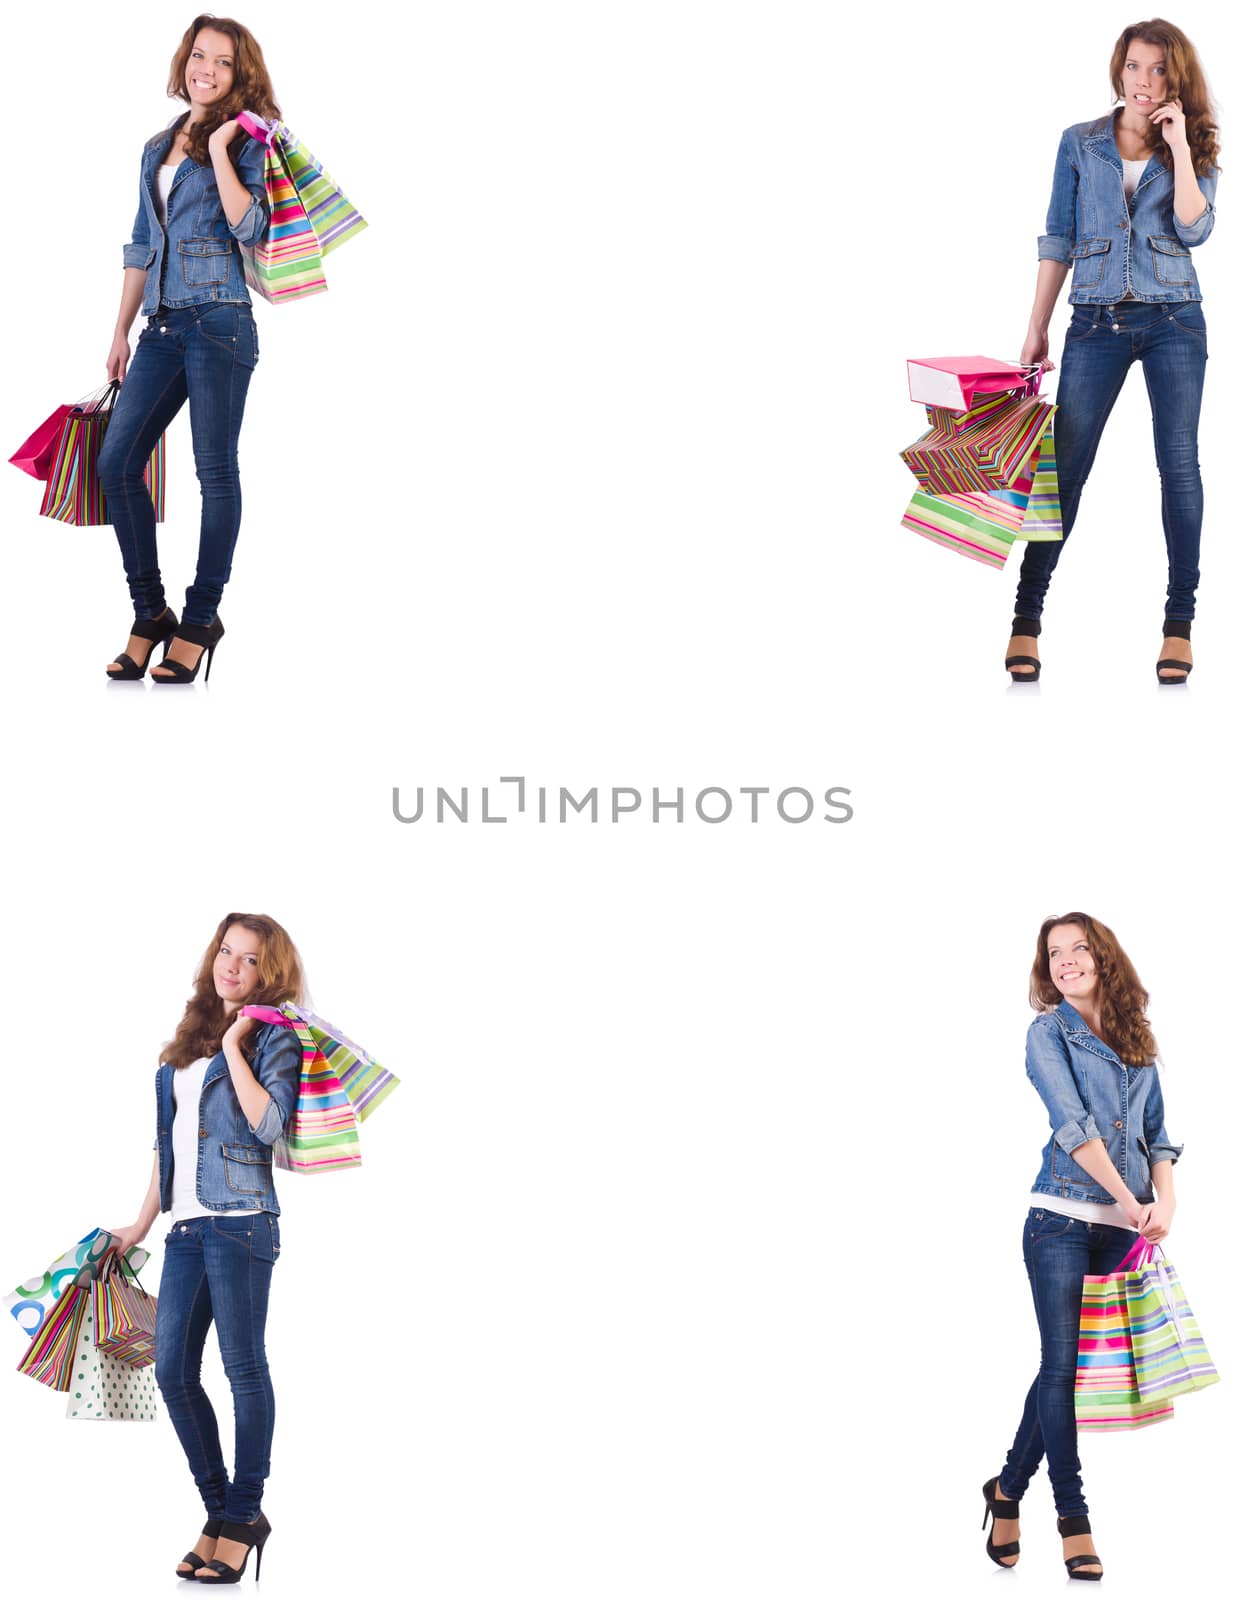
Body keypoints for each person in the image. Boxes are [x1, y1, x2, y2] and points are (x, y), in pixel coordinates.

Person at [1006, 19, 1220, 685]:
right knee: (1064, 472)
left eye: (1157, 70)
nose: (1142, 81)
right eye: (1133, 66)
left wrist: (1179, 146)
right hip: (1094, 323)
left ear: (1174, 79)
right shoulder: (1080, 143)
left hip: (1173, 321)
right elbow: (1057, 237)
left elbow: (1195, 228)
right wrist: (1036, 328)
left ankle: (1177, 625)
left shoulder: (1196, 143)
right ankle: (1025, 620)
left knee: (1177, 467)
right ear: (1117, 68)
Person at [981, 913, 1181, 1581]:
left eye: (1078, 948)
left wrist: (1165, 1199)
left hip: (1120, 1233)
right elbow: (1072, 1126)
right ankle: (1073, 1518)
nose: (1064, 960)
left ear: (1103, 957)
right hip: (1060, 1222)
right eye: (1053, 953)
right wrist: (1129, 1204)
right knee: (1061, 1368)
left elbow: (1156, 1134)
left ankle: (1004, 1489)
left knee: (1057, 1371)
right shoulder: (1047, 1033)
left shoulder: (1134, 1038)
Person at [108, 913, 304, 1582]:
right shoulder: (182, 1048)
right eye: (227, 951)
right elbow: (168, 1149)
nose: (233, 966)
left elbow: (269, 1126)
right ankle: (225, 1513)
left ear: (266, 975)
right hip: (186, 1229)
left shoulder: (271, 1040)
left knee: (242, 1369)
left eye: (250, 960)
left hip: (243, 1221)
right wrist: (138, 1225)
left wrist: (234, 1047)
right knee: (171, 1372)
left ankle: (241, 1512)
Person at [99, 14, 279, 684]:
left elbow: (249, 225)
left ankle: (201, 619)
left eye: (223, 62)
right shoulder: (155, 147)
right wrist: (119, 328)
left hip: (220, 323)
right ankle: (152, 614)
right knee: (117, 464)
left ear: (241, 73)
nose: (207, 69)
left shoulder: (249, 137)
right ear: (186, 61)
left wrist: (228, 149)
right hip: (162, 326)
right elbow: (142, 243)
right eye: (199, 55)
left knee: (214, 472)